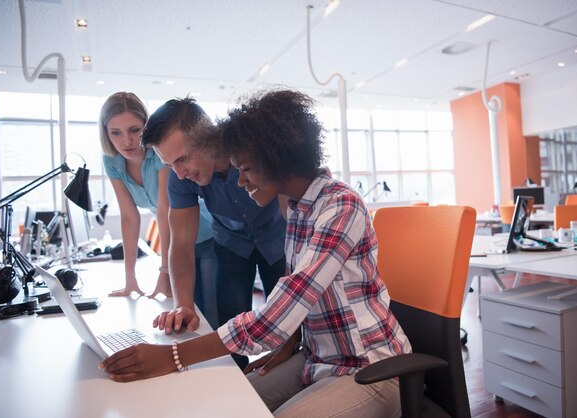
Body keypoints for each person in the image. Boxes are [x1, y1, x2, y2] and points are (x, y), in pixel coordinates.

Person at [100, 90, 411, 418]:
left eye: (246, 168)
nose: (240, 180)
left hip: (370, 366)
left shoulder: (339, 207)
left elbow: (278, 314)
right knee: (224, 405)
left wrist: (174, 356)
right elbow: (301, 302)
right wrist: (291, 343)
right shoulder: (298, 209)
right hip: (317, 359)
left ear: (277, 158)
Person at [138, 96, 287, 368]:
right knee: (229, 320)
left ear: (210, 137)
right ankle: (238, 385)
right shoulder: (180, 179)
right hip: (231, 245)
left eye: (182, 159)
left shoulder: (252, 151)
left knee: (288, 317)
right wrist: (183, 304)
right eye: (170, 165)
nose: (180, 174)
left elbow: (292, 207)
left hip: (278, 238)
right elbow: (181, 245)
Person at [99, 93, 217, 326]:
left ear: (146, 125)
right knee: (185, 313)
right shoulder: (112, 161)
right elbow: (129, 216)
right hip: (175, 242)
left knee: (208, 315)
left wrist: (164, 271)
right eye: (116, 133)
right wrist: (129, 277)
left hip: (204, 234)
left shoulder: (160, 155)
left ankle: (225, 362)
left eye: (134, 130)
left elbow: (165, 210)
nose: (127, 141)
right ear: (106, 134)